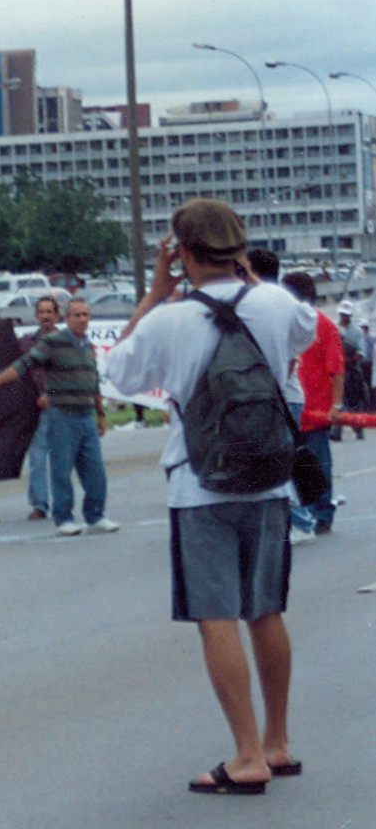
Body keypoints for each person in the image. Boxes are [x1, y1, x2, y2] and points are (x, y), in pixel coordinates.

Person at [102, 199, 313, 796]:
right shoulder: (276, 303)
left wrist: (152, 295)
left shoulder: (169, 319)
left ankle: (246, 757)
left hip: (200, 484)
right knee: (265, 610)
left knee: (216, 616)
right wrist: (249, 277)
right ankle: (276, 741)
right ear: (240, 249)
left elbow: (117, 374)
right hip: (270, 478)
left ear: (182, 251)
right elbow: (304, 330)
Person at [0, 298, 117, 536]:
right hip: (62, 414)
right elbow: (24, 364)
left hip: (86, 414)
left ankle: (96, 515)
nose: (82, 319)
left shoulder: (87, 346)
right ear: (66, 319)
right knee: (61, 470)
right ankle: (64, 518)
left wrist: (100, 414)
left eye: (86, 315)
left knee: (95, 470)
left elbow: (94, 382)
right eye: (77, 315)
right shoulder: (53, 343)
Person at [280, 272, 341, 543]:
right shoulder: (286, 325)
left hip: (317, 410)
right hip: (293, 407)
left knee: (319, 462)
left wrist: (336, 406)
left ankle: (323, 513)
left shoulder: (324, 326)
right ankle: (303, 513)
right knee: (292, 465)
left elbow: (336, 369)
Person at [20, 296, 62, 520]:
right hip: (37, 410)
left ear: (57, 315)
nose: (46, 316)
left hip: (63, 408)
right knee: (37, 459)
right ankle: (40, 504)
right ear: (36, 316)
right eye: (42, 312)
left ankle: (62, 502)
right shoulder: (26, 343)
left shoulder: (66, 341)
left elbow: (73, 374)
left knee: (62, 459)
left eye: (50, 311)